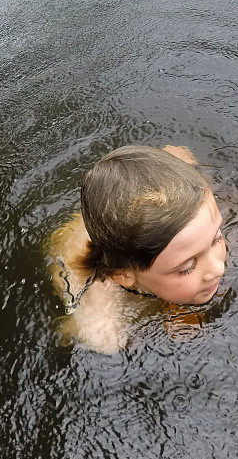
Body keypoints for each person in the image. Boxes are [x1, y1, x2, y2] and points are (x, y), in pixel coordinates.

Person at [44, 144, 227, 354]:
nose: (218, 268)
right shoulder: (104, 309)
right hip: (78, 239)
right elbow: (93, 333)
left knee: (180, 154)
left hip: (143, 232)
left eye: (216, 239)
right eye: (187, 267)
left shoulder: (190, 239)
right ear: (123, 276)